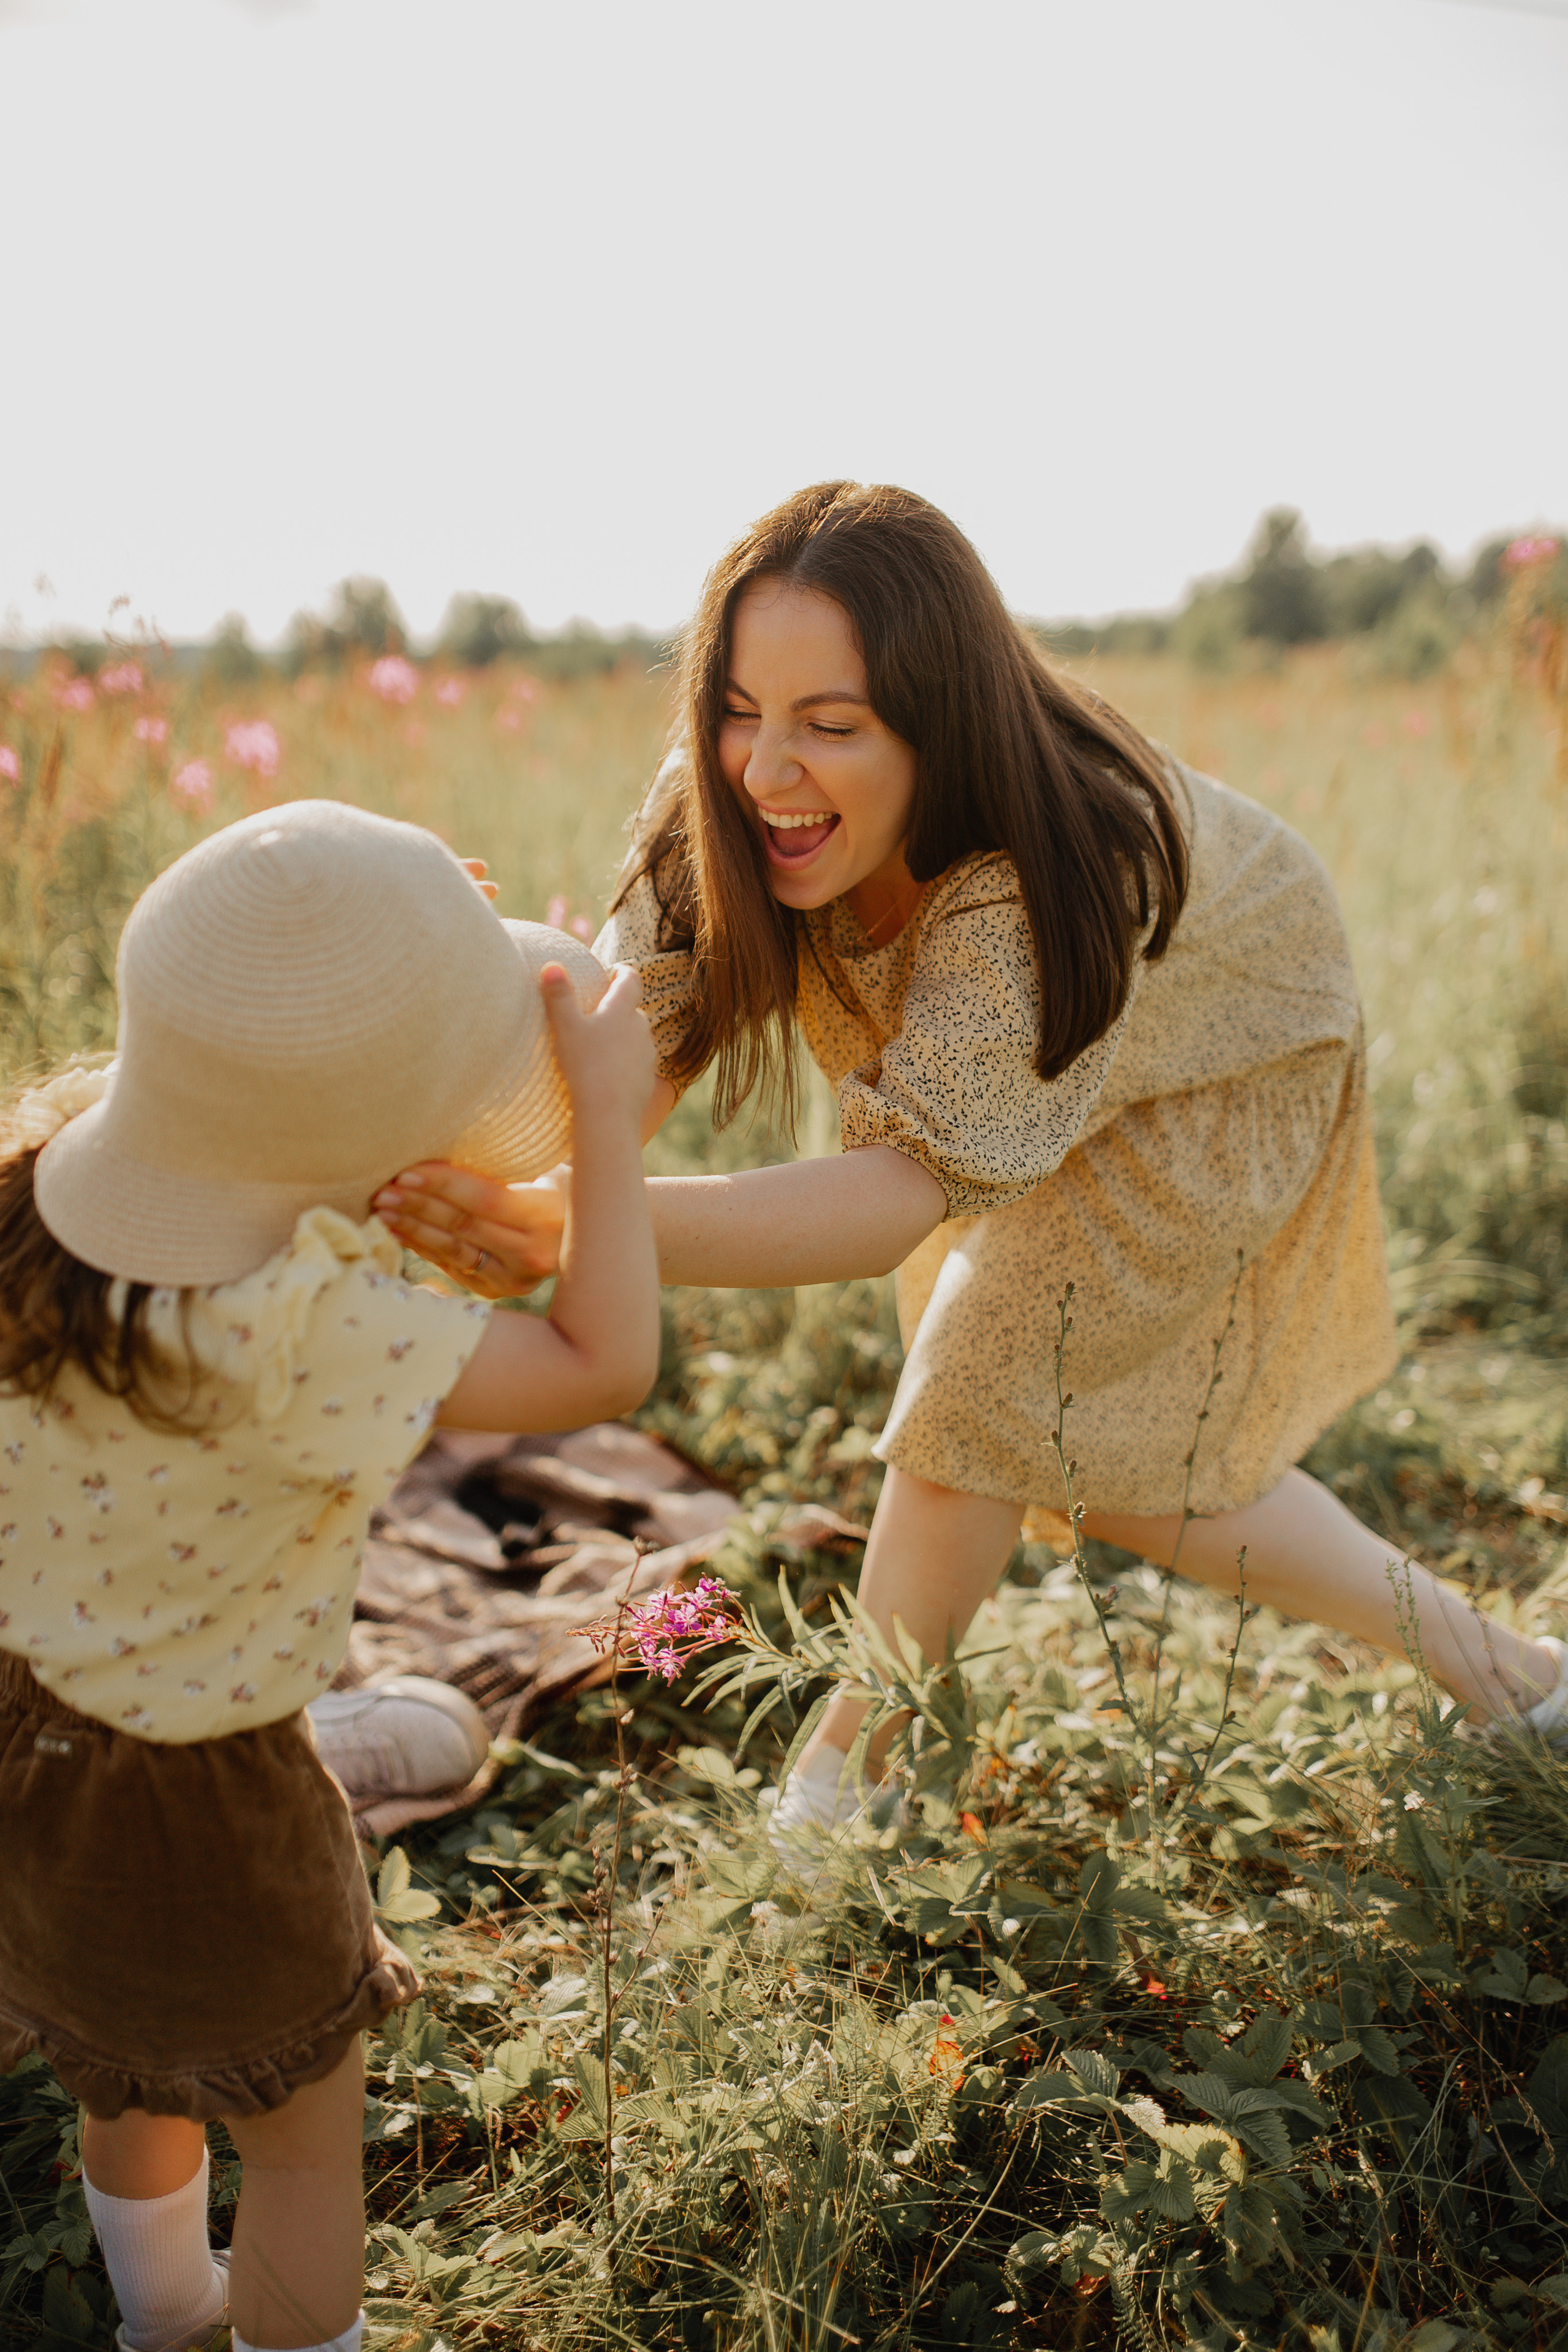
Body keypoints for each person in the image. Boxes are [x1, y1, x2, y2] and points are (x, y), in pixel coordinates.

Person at [373, 481, 1568, 1855]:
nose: (766, 770)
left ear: (940, 727)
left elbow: (890, 1197)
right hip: (1056, 1049)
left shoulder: (1039, 875)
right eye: (739, 708)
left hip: (1225, 1047)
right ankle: (1511, 1680)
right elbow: (630, 1046)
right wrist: (462, 1014)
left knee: (981, 1385)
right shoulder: (732, 790)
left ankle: (839, 1796)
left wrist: (589, 1226)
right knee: (1079, 1446)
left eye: (832, 726)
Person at [0, 799, 657, 2352]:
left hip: (27, 1749)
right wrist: (607, 1123)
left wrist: (356, 1003)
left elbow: (217, 1097)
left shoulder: (26, 1188)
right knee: (298, 2137)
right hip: (211, 1798)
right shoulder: (301, 1328)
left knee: (129, 2073)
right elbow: (598, 1358)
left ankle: (163, 2323)